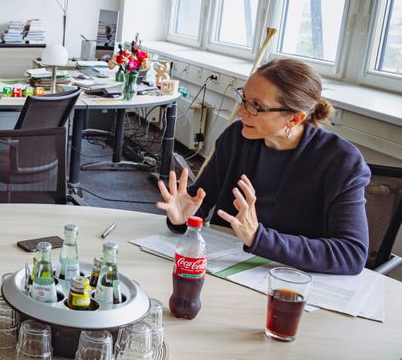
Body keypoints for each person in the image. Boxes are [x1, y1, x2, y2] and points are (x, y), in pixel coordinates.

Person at [157, 58, 370, 275]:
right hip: (226, 270)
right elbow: (198, 201)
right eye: (244, 99)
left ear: (295, 118)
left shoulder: (342, 161)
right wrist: (184, 219)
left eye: (256, 106)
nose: (241, 111)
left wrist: (259, 237)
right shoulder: (236, 138)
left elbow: (351, 254)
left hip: (296, 283)